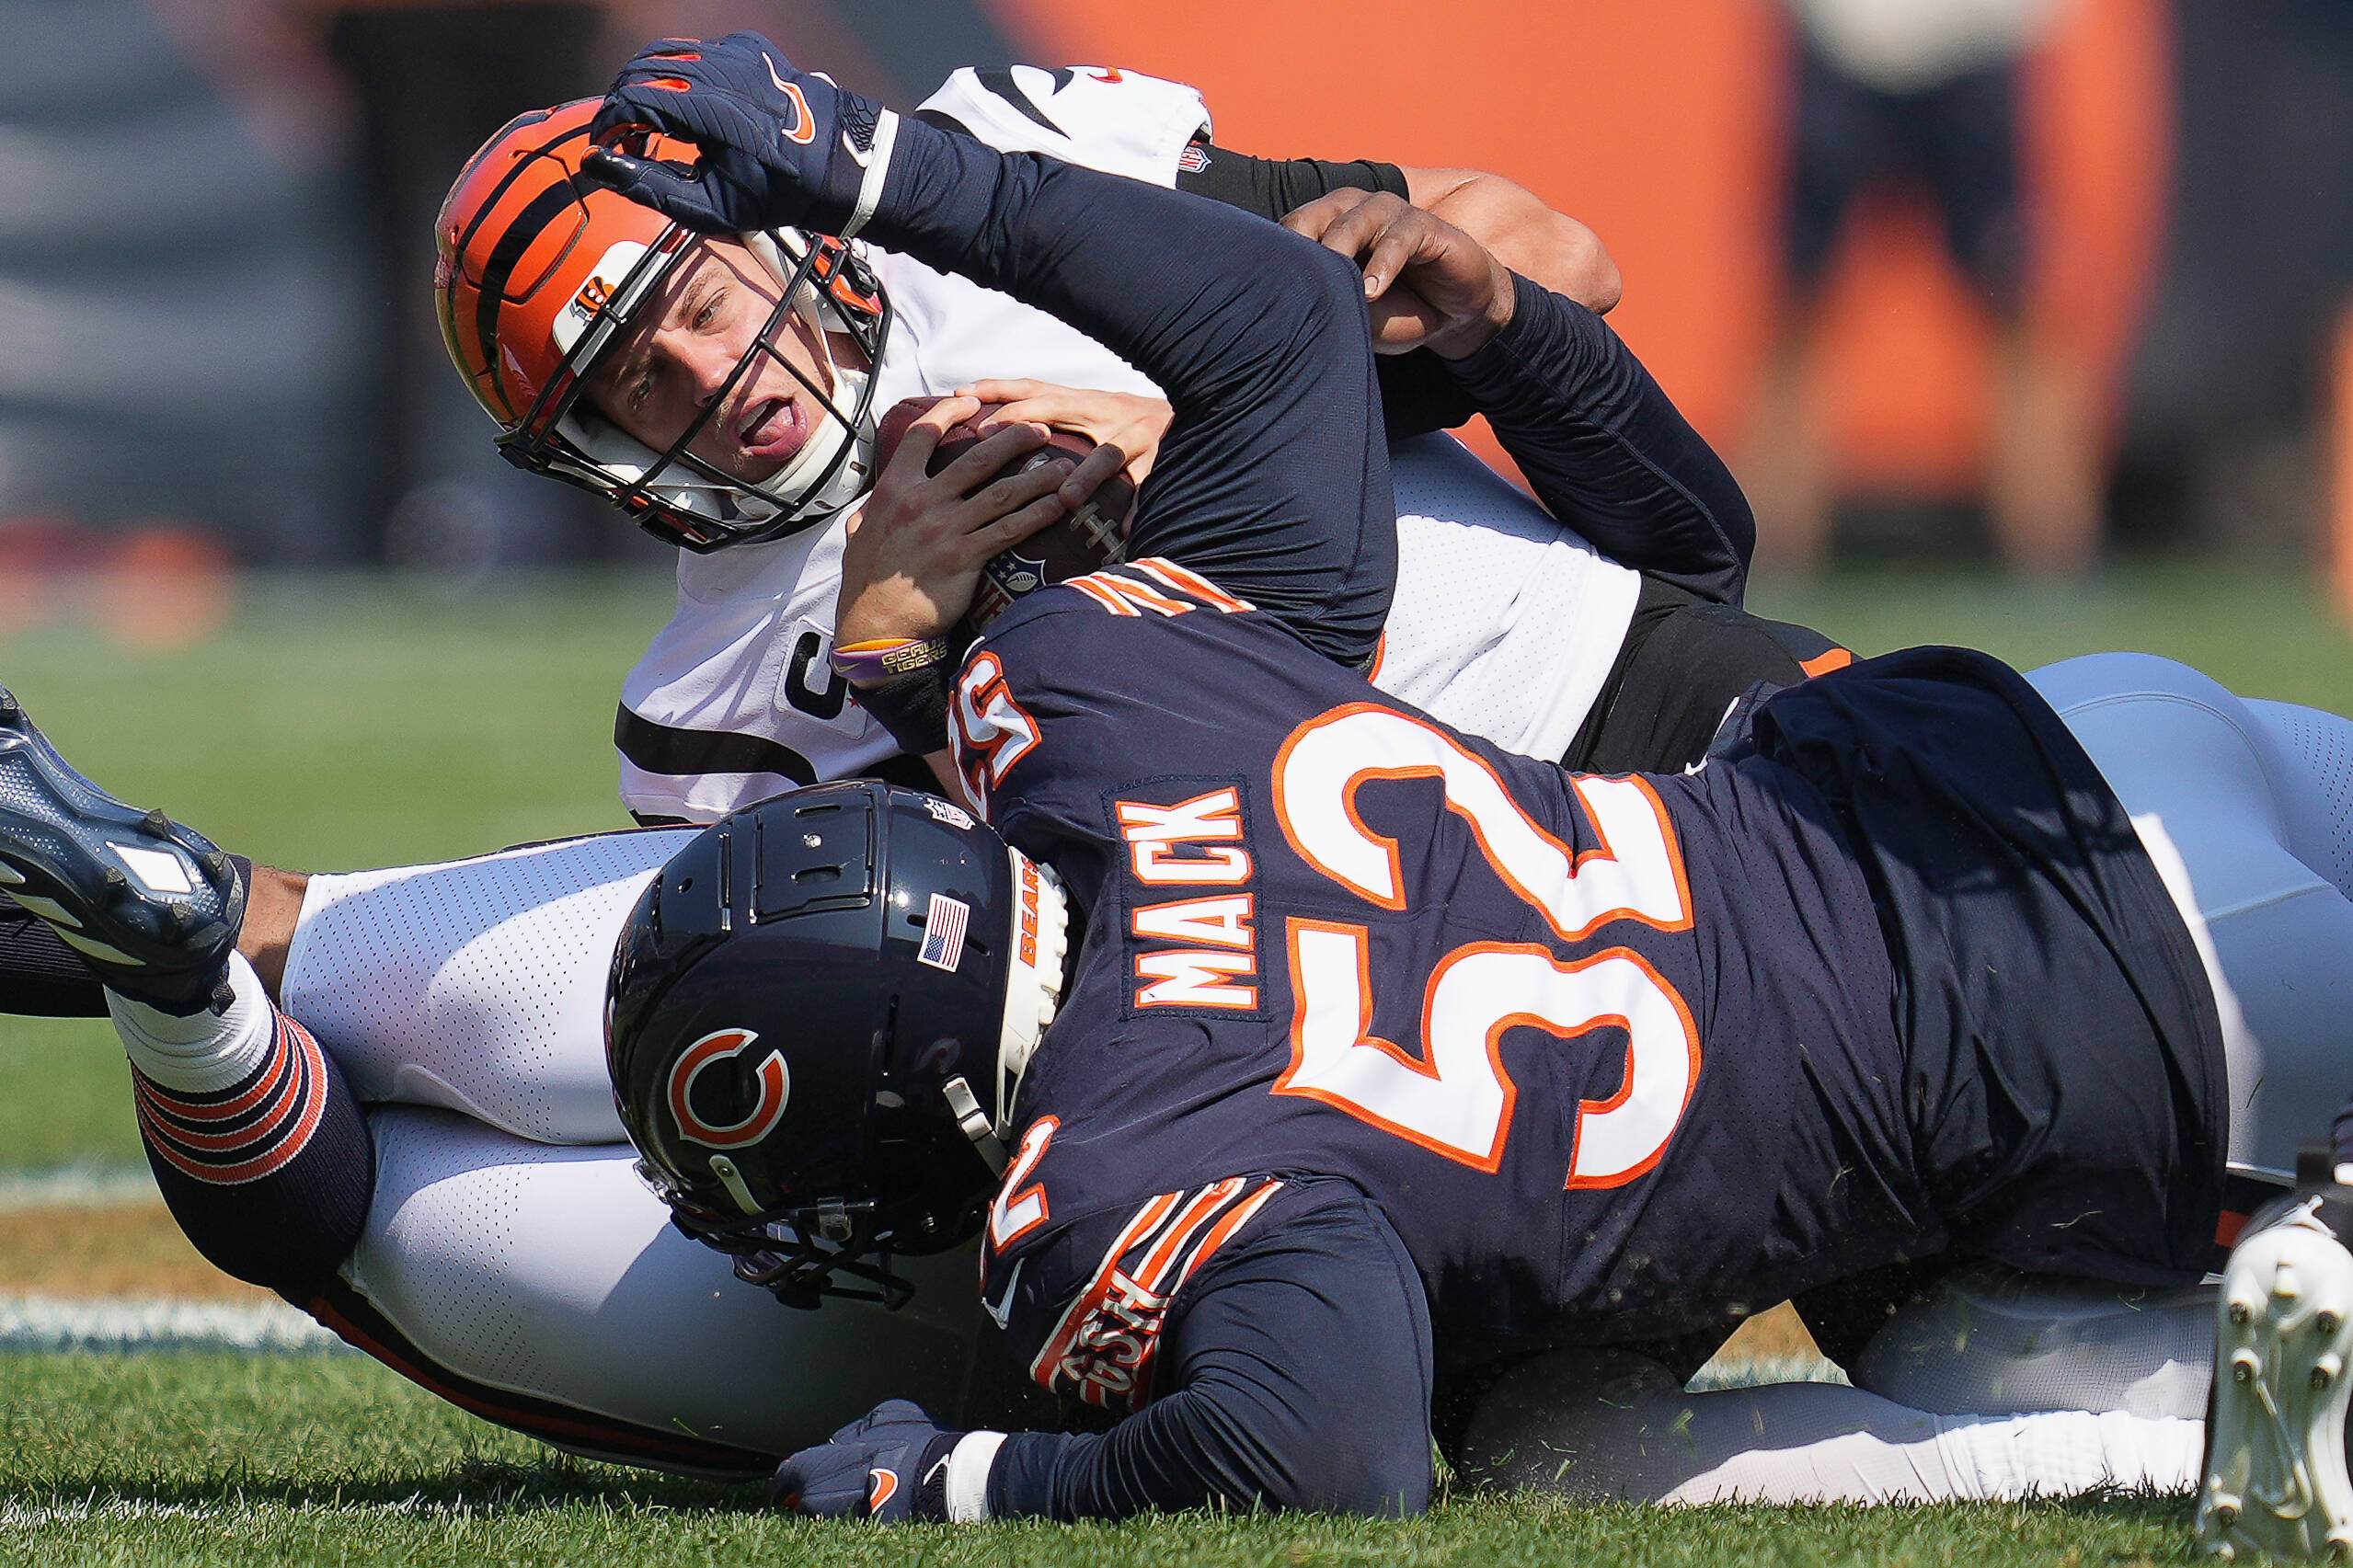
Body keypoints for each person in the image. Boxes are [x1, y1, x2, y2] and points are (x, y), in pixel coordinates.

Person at [557, 33, 2350, 1520]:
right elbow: (1297, 334)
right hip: (1998, 754)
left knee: (1579, 1440)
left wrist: (953, 1488)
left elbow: (1321, 1441)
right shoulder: (1096, 675)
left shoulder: (1123, 1162)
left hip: (2060, 1055)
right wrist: (873, 163)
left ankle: (2177, 1415)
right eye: (642, 382)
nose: (713, 382)